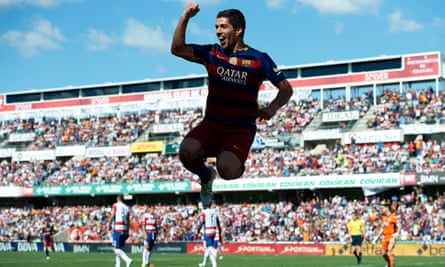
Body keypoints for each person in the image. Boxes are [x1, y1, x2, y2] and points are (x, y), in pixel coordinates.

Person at [171, 2, 293, 206]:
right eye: (216, 27)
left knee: (227, 169)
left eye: (223, 27)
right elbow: (177, 49)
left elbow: (286, 88)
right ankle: (206, 175)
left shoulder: (258, 59)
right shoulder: (212, 53)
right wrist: (185, 17)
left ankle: (232, 160)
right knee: (186, 151)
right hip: (212, 124)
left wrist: (272, 108)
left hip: (240, 129)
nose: (218, 31)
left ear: (238, 30)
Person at [107, 195, 133, 267]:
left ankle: (127, 259)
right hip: (124, 228)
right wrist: (127, 230)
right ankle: (118, 265)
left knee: (115, 248)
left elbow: (112, 215)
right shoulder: (126, 207)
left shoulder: (115, 205)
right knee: (119, 248)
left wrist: (109, 224)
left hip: (118, 228)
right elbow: (128, 220)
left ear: (117, 198)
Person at [373, 202, 400, 267]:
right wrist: (377, 238)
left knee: (389, 252)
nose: (382, 209)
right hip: (385, 237)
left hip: (391, 236)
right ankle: (389, 263)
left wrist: (397, 233)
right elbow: (382, 229)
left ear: (387, 208)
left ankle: (391, 265)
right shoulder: (384, 218)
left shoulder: (393, 217)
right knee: (383, 253)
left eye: (383, 208)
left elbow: (399, 226)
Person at [197, 203, 223, 267]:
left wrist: (198, 230)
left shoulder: (204, 212)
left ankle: (214, 263)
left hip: (208, 231)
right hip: (214, 231)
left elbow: (202, 222)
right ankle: (204, 263)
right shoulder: (215, 211)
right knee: (208, 249)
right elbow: (218, 223)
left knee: (209, 248)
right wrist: (219, 232)